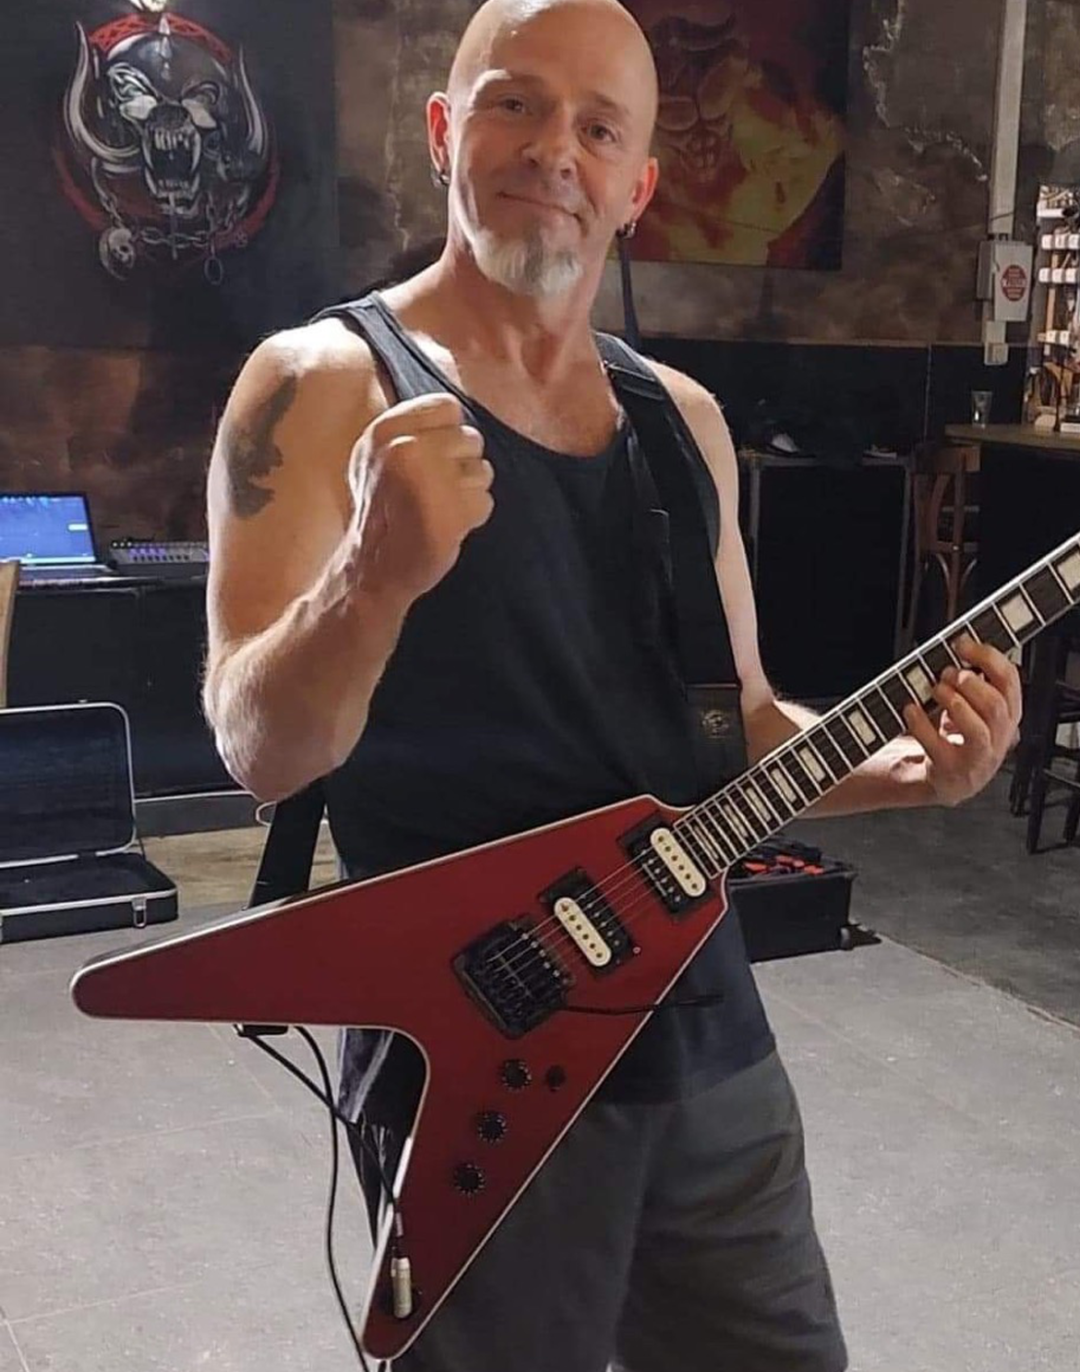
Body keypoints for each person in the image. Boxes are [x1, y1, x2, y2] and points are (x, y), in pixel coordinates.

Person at [201, 1, 1023, 1367]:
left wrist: (914, 771)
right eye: (515, 104)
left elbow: (740, 727)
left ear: (640, 186)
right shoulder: (319, 385)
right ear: (443, 131)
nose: (553, 153)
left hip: (708, 1043)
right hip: (478, 1057)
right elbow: (256, 750)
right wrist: (369, 578)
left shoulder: (681, 422)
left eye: (599, 128)